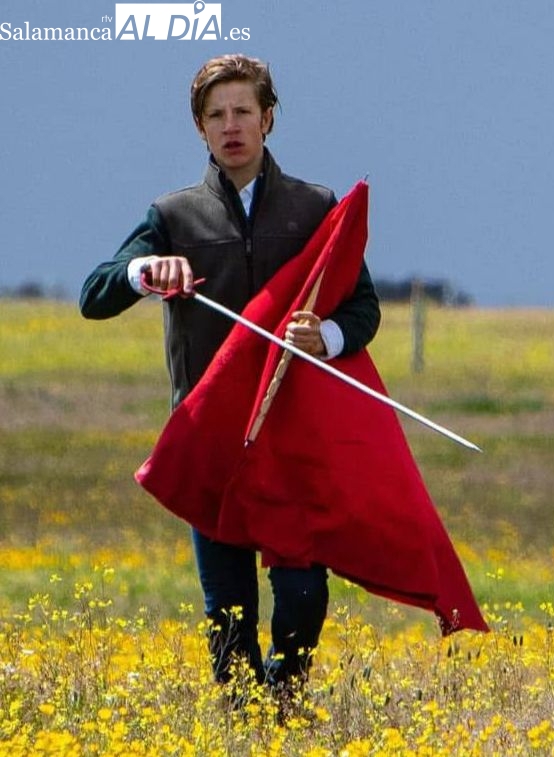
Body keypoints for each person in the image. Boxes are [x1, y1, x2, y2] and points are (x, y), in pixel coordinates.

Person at [80, 54, 381, 697]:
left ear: (268, 119)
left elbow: (364, 309)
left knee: (303, 593)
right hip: (211, 437)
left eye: (244, 110)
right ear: (200, 128)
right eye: (216, 115)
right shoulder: (173, 215)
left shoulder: (314, 207)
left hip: (293, 438)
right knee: (229, 610)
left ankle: (283, 696)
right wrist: (145, 273)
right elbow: (94, 294)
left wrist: (326, 337)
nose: (231, 125)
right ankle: (243, 721)